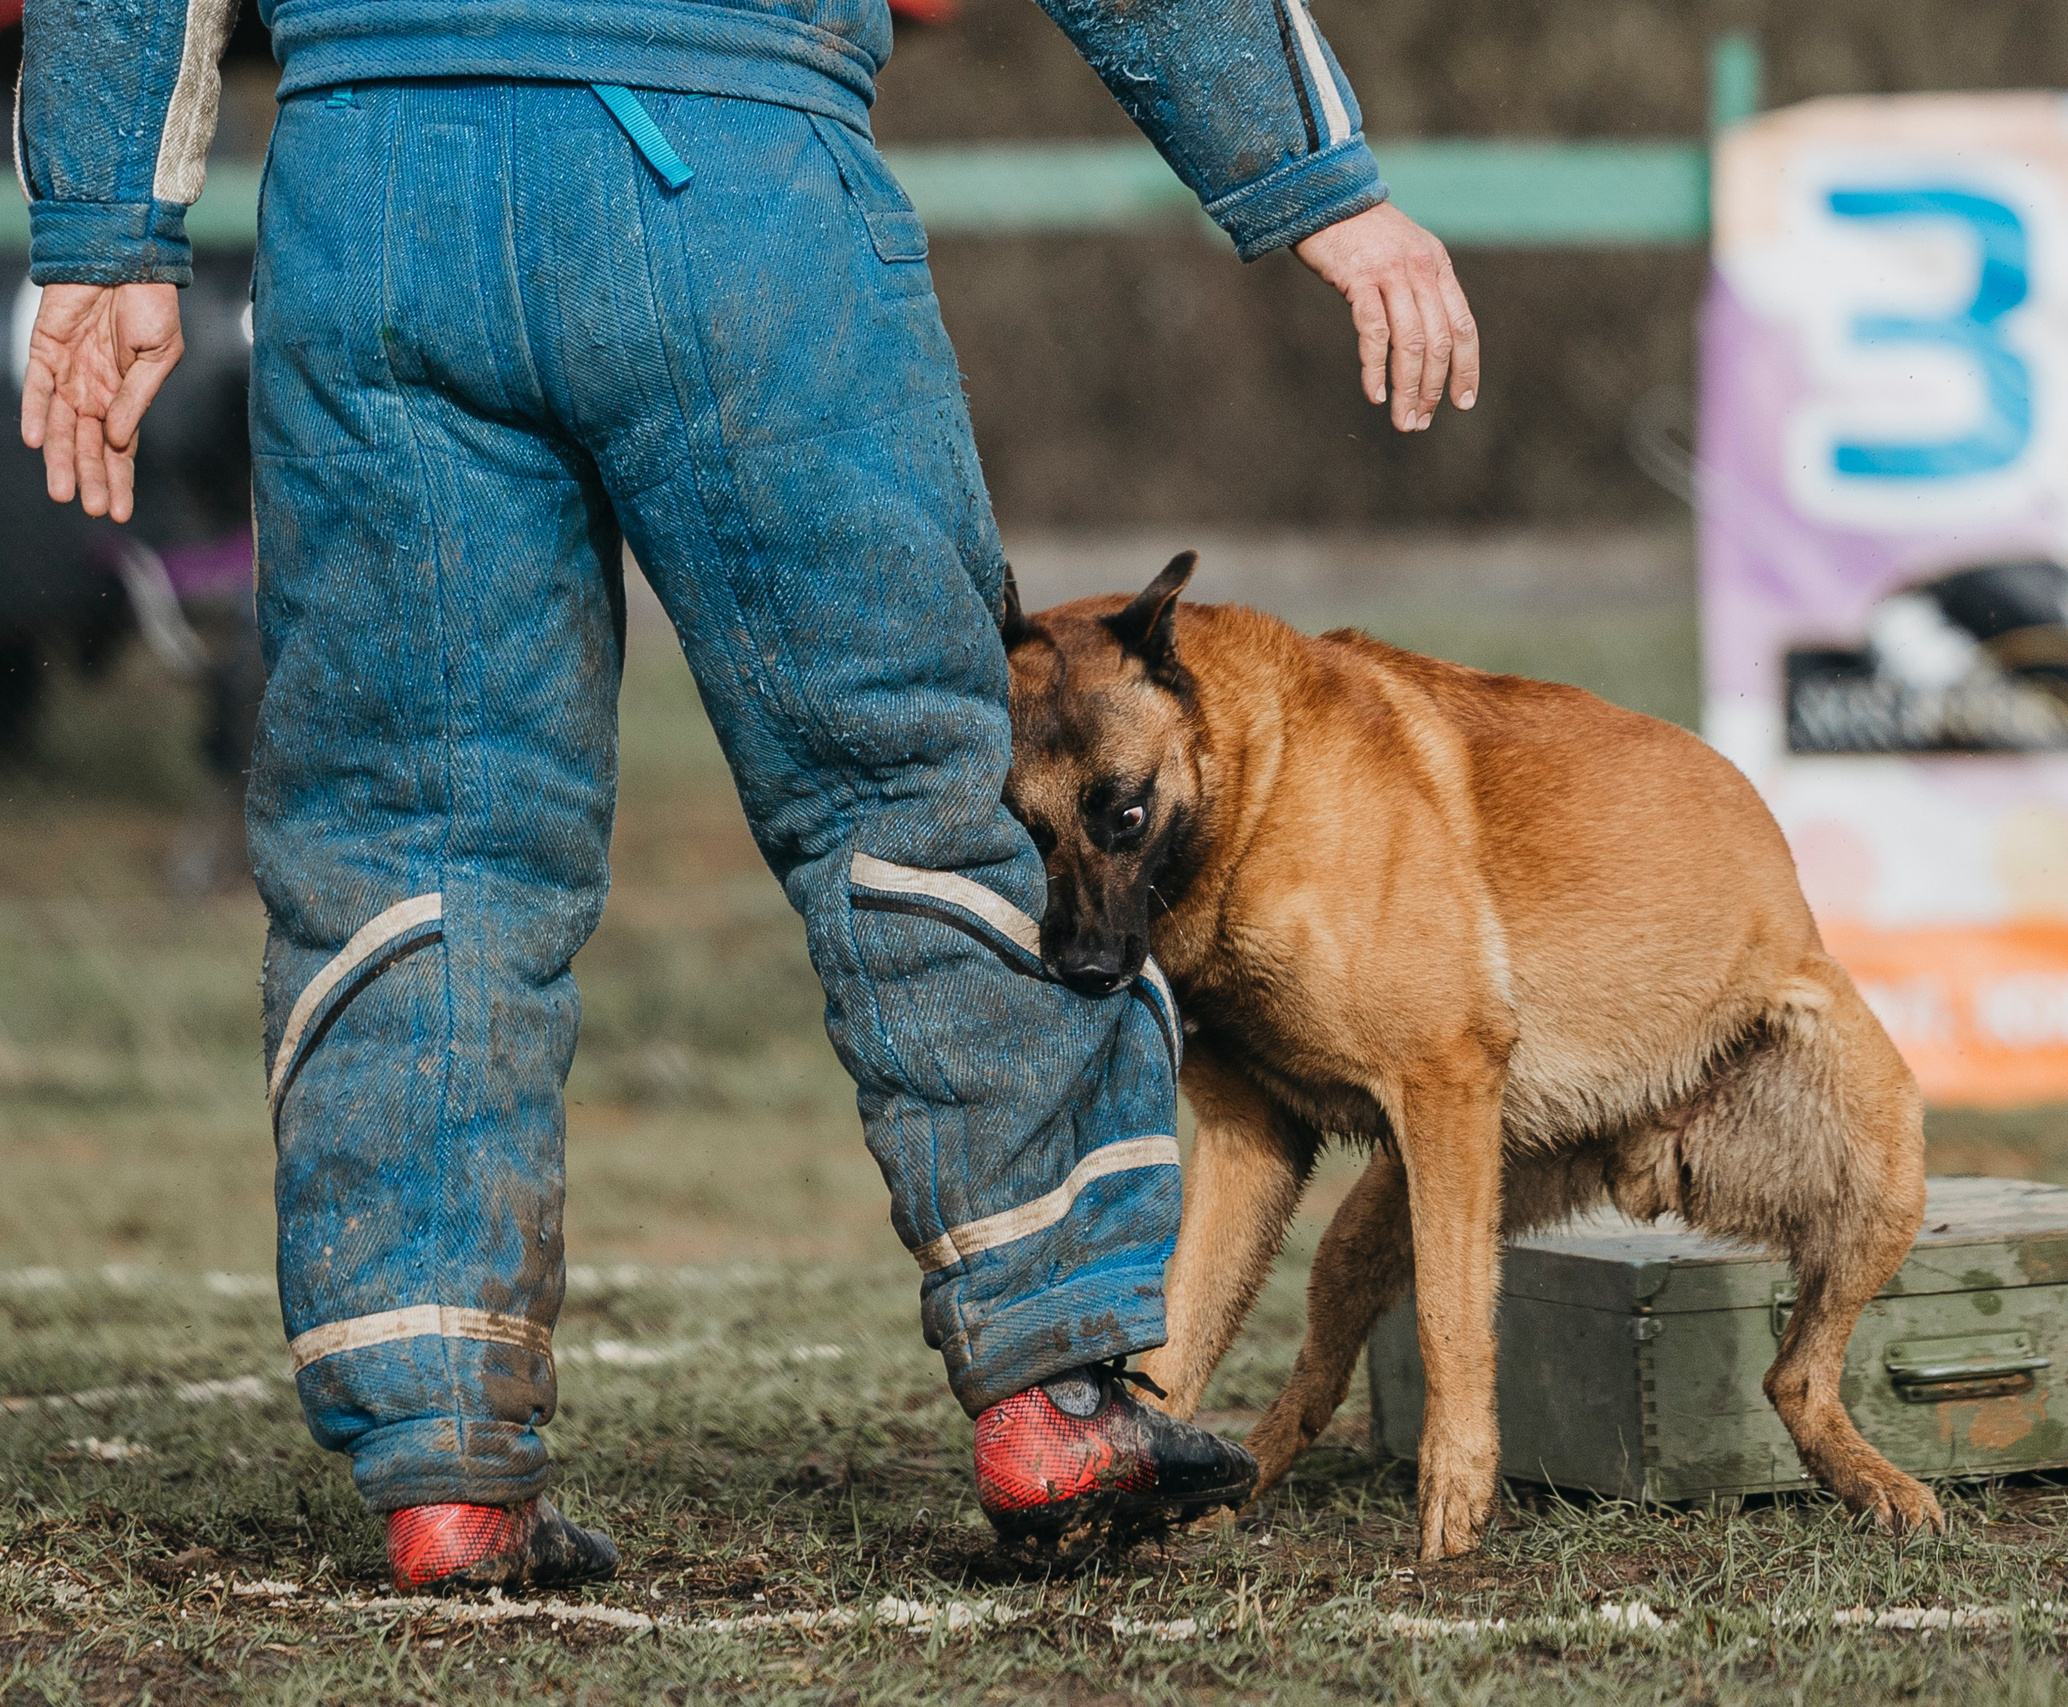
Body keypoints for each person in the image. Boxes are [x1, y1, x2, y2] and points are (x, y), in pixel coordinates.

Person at [18, 0, 1478, 1588]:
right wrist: (1312, 172)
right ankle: (1054, 1400)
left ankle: (442, 1476)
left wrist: (105, 234)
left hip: (371, 192)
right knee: (917, 774)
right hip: (727, 170)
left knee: (404, 829)